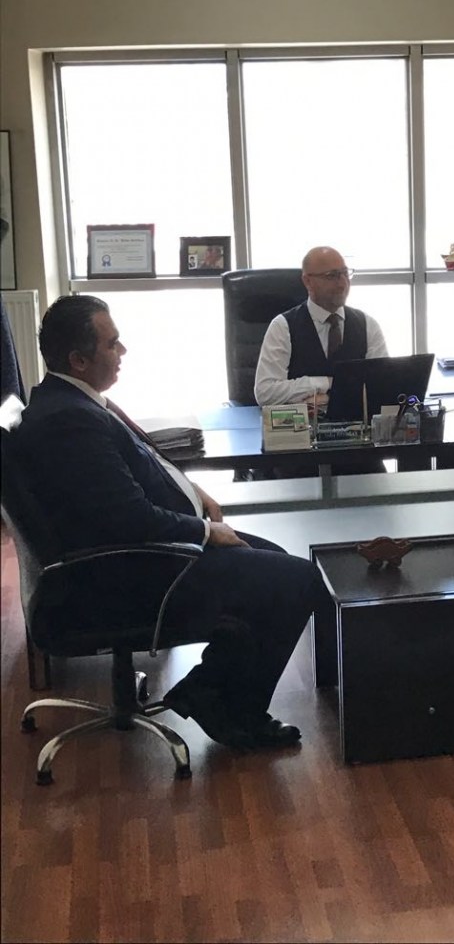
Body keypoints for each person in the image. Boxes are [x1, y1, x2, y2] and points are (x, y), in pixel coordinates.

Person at [14, 295, 329, 750]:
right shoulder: (70, 422)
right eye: (112, 344)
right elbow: (128, 518)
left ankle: (214, 693)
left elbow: (129, 480)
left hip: (140, 555)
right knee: (298, 580)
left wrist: (193, 493)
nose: (122, 351)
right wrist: (204, 531)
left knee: (273, 562)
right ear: (78, 360)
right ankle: (229, 708)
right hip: (132, 573)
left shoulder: (67, 401)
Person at [254, 245, 388, 408]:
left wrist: (325, 398)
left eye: (345, 273)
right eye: (332, 276)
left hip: (357, 422)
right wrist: (325, 383)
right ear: (308, 281)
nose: (343, 284)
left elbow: (381, 385)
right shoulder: (283, 327)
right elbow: (265, 392)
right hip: (302, 423)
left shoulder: (367, 325)